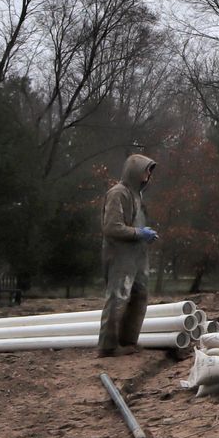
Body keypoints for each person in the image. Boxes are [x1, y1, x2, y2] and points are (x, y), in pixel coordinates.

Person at [97, 151, 158, 357]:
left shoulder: (137, 195)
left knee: (139, 296)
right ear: (135, 171)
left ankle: (128, 341)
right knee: (117, 298)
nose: (148, 176)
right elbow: (111, 227)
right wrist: (139, 233)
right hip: (120, 254)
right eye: (146, 172)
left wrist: (145, 235)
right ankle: (108, 346)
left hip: (137, 254)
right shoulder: (118, 193)